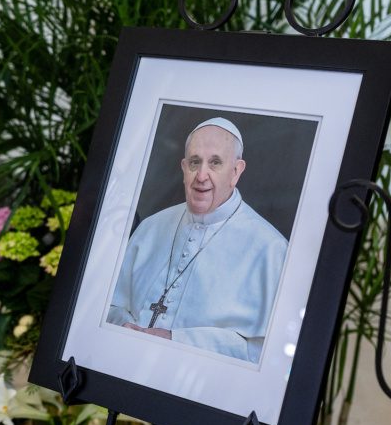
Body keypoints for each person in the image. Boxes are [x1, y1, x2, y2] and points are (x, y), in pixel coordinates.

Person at [106, 117, 288, 363]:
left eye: (215, 163)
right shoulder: (151, 227)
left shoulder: (270, 249)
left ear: (236, 171)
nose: (201, 175)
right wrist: (125, 326)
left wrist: (175, 341)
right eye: (194, 162)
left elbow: (264, 354)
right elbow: (108, 306)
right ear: (183, 168)